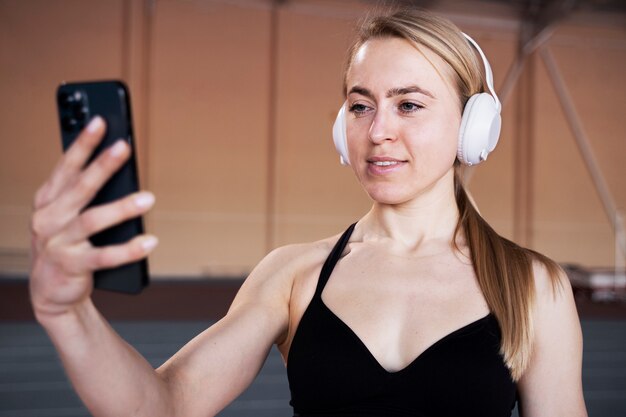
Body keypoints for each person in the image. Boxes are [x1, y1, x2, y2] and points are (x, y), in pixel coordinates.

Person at [29, 7, 587, 417]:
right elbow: (163, 406)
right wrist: (68, 314)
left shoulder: (532, 288)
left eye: (409, 104)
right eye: (359, 105)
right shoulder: (293, 275)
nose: (378, 131)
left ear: (474, 127)